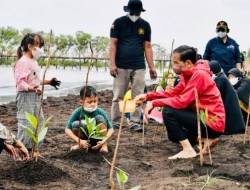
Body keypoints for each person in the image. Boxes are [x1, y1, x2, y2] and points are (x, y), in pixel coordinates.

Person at [135, 45, 225, 159]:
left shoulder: (200, 75)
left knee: (168, 111)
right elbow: (173, 93)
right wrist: (148, 96)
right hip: (202, 119)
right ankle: (207, 139)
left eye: (176, 63)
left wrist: (154, 103)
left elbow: (182, 101)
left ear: (187, 63)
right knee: (174, 136)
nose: (174, 66)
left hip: (211, 122)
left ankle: (188, 150)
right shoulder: (187, 75)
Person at [109, 0, 157, 132]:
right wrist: (112, 64)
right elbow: (113, 44)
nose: (135, 15)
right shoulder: (118, 23)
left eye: (137, 12)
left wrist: (152, 67)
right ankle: (116, 122)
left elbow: (147, 47)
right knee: (118, 96)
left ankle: (135, 122)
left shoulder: (145, 25)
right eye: (133, 12)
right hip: (121, 65)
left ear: (141, 12)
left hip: (139, 66)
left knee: (138, 96)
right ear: (127, 11)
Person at [14, 33, 61, 153]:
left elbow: (34, 80)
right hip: (25, 96)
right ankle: (23, 150)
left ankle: (35, 149)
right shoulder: (23, 62)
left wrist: (49, 82)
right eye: (39, 46)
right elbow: (21, 83)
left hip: (35, 95)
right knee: (26, 122)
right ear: (30, 46)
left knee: (39, 121)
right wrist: (32, 88)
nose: (41, 49)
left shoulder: (33, 61)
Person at [65, 86, 114, 152]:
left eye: (95, 101)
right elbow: (67, 130)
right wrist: (79, 141)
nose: (93, 104)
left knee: (99, 118)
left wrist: (103, 141)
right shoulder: (78, 112)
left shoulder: (100, 111)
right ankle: (82, 145)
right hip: (85, 139)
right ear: (81, 102)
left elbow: (111, 129)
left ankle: (104, 145)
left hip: (98, 138)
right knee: (76, 125)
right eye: (89, 102)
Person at [209, 60, 245, 134]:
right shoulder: (221, 76)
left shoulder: (220, 79)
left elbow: (215, 92)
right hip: (229, 101)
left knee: (230, 118)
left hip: (228, 102)